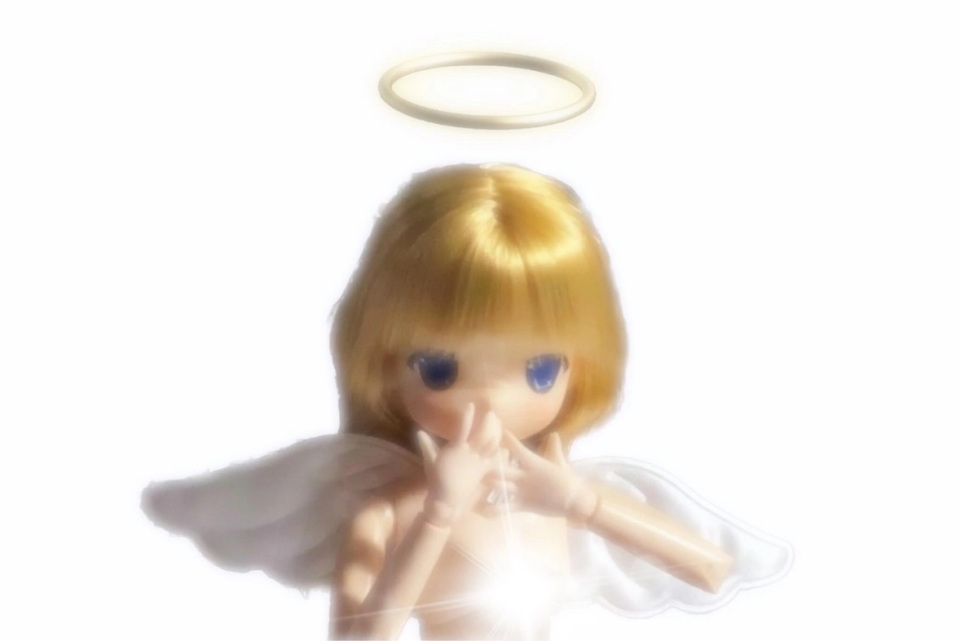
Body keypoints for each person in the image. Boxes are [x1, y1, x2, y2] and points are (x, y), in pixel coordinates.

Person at [143, 164, 790, 641]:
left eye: (539, 369)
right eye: (441, 369)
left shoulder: (560, 495)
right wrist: (437, 514)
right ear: (385, 366)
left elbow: (712, 569)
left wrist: (582, 504)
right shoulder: (385, 509)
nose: (492, 401)